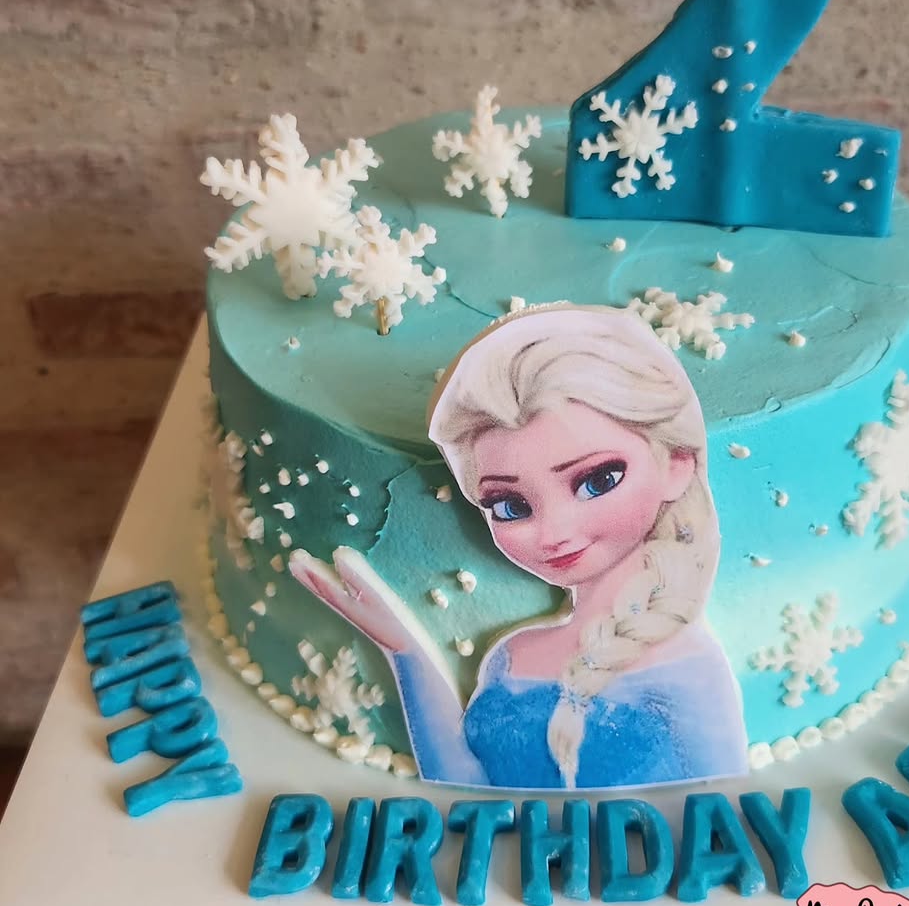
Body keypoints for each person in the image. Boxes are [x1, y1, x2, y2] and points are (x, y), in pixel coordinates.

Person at [289, 305, 748, 788]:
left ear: (677, 464)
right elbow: (467, 789)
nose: (553, 532)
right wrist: (404, 650)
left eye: (597, 481)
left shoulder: (688, 667)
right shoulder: (510, 656)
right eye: (510, 506)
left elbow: (723, 806)